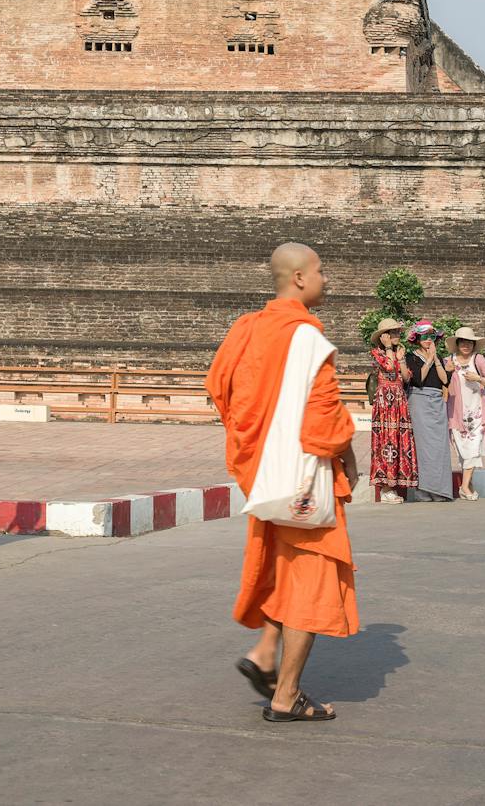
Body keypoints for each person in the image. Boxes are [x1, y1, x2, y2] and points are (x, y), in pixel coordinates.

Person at [207, 242, 360, 723]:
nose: (326, 279)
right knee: (311, 583)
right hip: (305, 482)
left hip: (266, 477)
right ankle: (286, 695)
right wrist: (350, 456)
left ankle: (266, 652)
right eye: (320, 270)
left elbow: (221, 389)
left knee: (283, 567)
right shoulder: (309, 340)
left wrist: (259, 448)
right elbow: (323, 426)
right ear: (298, 278)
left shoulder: (246, 330)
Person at [446, 326, 485, 501]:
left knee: (474, 449)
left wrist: (478, 378)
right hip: (456, 413)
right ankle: (469, 484)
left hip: (477, 413)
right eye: (463, 342)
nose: (466, 346)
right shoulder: (449, 361)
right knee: (464, 452)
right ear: (458, 344)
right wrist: (446, 371)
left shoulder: (478, 360)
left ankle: (463, 487)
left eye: (470, 342)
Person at [368, 317, 417, 503]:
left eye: (398, 332)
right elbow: (387, 367)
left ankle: (395, 484)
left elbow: (405, 378)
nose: (397, 335)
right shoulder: (376, 352)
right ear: (384, 336)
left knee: (398, 441)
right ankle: (386, 488)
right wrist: (389, 349)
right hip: (384, 402)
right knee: (386, 441)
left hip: (399, 400)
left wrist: (402, 359)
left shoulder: (401, 352)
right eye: (393, 333)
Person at [405, 322, 454, 501]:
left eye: (431, 337)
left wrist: (435, 359)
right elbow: (418, 378)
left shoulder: (439, 357)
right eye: (424, 337)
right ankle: (422, 490)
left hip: (437, 403)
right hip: (419, 401)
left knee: (439, 446)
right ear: (417, 339)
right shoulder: (411, 357)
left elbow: (444, 380)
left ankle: (439, 490)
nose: (428, 340)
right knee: (422, 446)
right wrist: (429, 359)